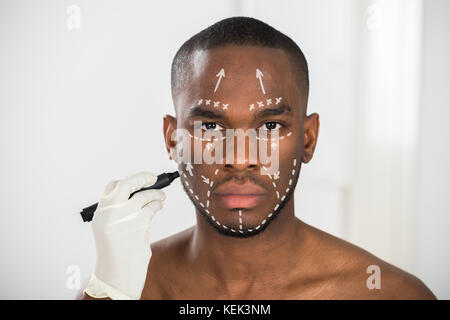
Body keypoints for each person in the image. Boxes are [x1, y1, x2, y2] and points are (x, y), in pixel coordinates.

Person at [82, 17, 435, 300]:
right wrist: (109, 291)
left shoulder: (388, 294)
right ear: (172, 139)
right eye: (209, 126)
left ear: (308, 139)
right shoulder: (124, 288)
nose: (239, 158)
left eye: (269, 125)